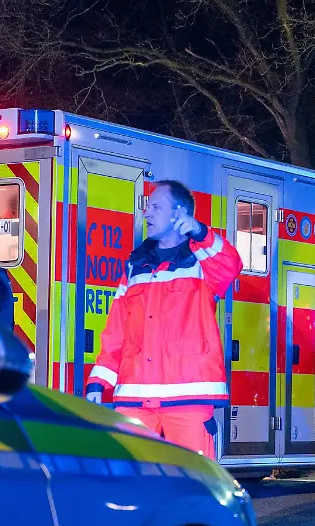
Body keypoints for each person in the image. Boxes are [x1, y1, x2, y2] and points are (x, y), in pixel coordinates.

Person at [84, 180, 242, 458]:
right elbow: (116, 332)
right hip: (134, 399)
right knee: (132, 476)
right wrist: (98, 383)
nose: (147, 213)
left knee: (192, 478)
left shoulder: (201, 263)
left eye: (156, 207)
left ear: (179, 213)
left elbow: (231, 264)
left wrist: (200, 231)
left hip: (187, 399)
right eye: (148, 207)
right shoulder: (135, 267)